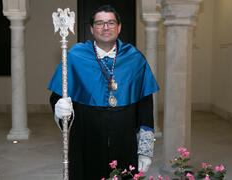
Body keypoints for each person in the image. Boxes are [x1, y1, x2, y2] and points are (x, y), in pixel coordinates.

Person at [48, 5, 159, 180]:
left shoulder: (135, 59)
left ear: (119, 27)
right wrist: (59, 108)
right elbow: (56, 96)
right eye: (99, 23)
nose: (105, 27)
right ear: (92, 29)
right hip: (86, 142)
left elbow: (145, 106)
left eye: (110, 23)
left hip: (125, 142)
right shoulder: (74, 57)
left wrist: (145, 150)